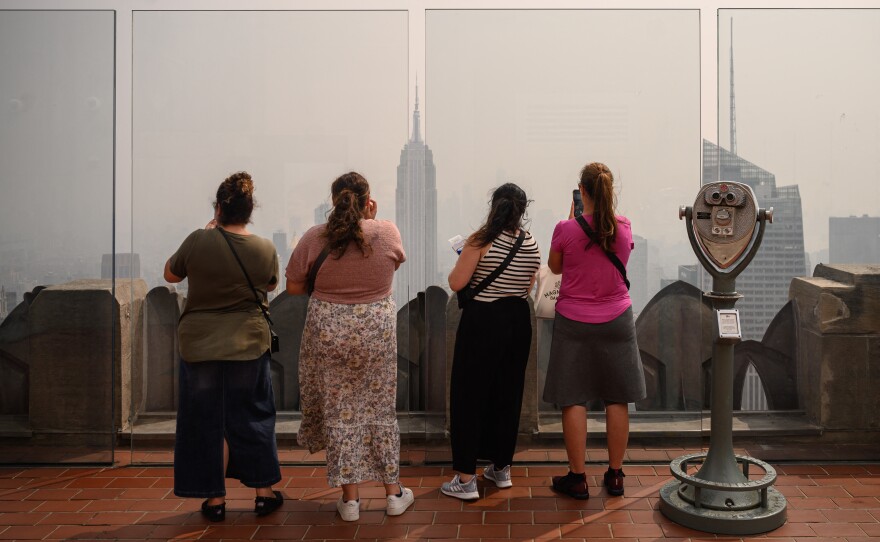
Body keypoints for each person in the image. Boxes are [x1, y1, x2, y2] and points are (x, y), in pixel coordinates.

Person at [285, 171, 412, 522]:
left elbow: (294, 287)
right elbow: (394, 263)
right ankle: (393, 494)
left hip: (328, 332)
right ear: (368, 200)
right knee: (379, 409)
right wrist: (370, 221)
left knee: (341, 409)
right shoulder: (386, 231)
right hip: (375, 333)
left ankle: (351, 500)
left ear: (334, 200)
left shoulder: (314, 236)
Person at [165, 171, 284, 522]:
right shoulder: (265, 247)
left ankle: (215, 500)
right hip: (248, 344)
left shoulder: (198, 240)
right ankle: (264, 494)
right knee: (253, 416)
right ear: (250, 211)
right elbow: (272, 283)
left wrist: (207, 233)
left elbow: (171, 275)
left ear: (218, 208)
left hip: (200, 347)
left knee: (204, 422)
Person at [543, 162, 646, 499]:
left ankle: (577, 477)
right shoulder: (625, 227)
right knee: (616, 397)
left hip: (574, 321)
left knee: (574, 398)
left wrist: (570, 223)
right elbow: (621, 258)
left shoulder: (565, 228)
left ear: (582, 192)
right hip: (617, 318)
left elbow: (556, 266)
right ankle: (615, 475)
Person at [441, 183, 542, 500]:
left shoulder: (479, 240)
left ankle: (466, 479)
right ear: (522, 211)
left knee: (468, 396)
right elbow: (527, 288)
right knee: (507, 395)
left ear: (494, 206)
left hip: (482, 322)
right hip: (517, 322)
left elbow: (457, 282)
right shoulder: (531, 243)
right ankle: (501, 469)